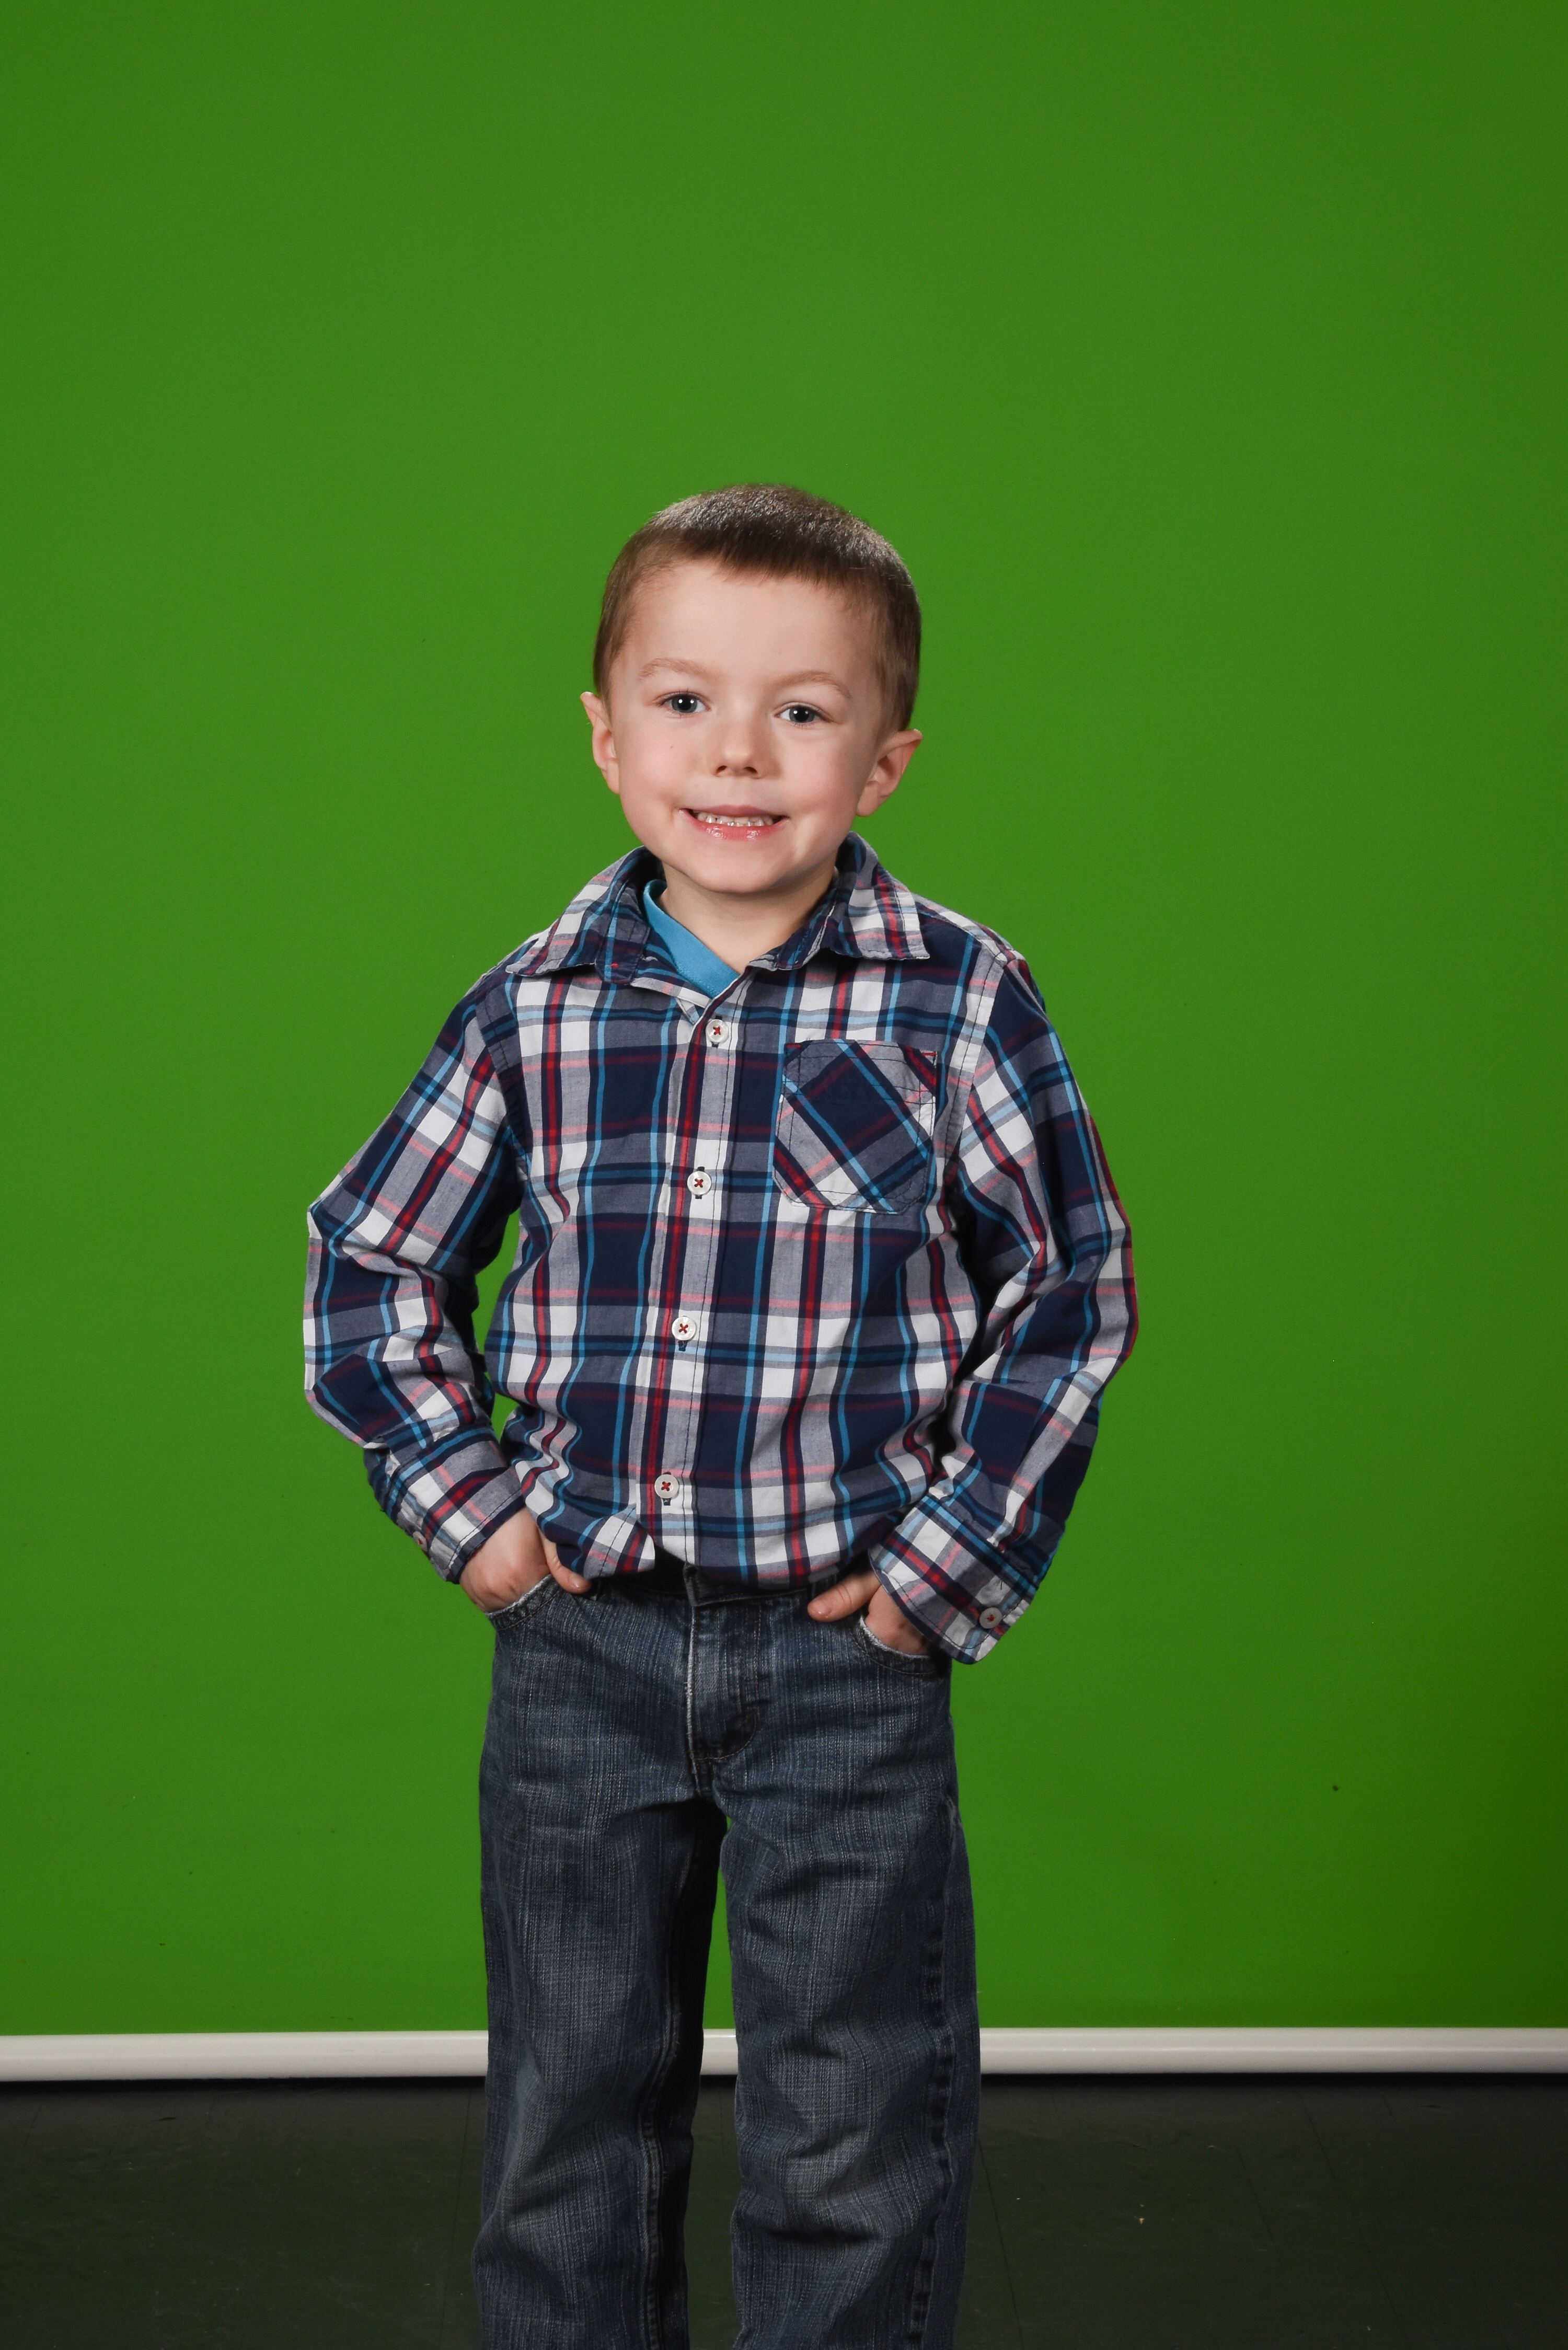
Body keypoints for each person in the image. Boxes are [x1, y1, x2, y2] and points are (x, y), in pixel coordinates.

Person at [303, 483, 1136, 2348]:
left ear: (885, 757)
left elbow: (1071, 1291)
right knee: (568, 2116)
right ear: (606, 737)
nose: (738, 754)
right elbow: (371, 1261)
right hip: (581, 1644)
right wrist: (472, 1517)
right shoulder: (532, 1010)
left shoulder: (956, 1002)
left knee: (855, 2117)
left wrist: (942, 1571)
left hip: (848, 1653)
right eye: (684, 702)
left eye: (802, 710)